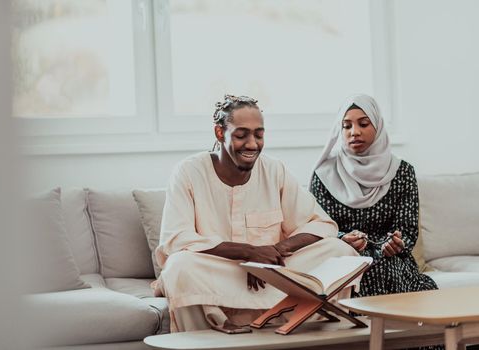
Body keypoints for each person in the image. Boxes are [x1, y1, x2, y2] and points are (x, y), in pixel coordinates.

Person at [154, 94, 358, 334]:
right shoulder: (188, 172)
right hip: (223, 272)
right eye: (241, 135)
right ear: (220, 133)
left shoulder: (275, 170)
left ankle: (311, 339)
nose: (252, 144)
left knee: (340, 251)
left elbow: (321, 224)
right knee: (180, 266)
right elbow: (177, 239)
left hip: (274, 273)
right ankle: (204, 341)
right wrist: (249, 254)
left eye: (259, 135)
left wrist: (274, 253)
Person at [309, 93, 438, 298]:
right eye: (347, 126)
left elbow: (407, 228)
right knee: (364, 268)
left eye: (363, 124)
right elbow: (318, 226)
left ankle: (385, 327)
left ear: (378, 127)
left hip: (391, 260)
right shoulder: (324, 175)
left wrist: (395, 243)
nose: (355, 132)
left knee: (381, 267)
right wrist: (343, 238)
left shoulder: (402, 172)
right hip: (342, 259)